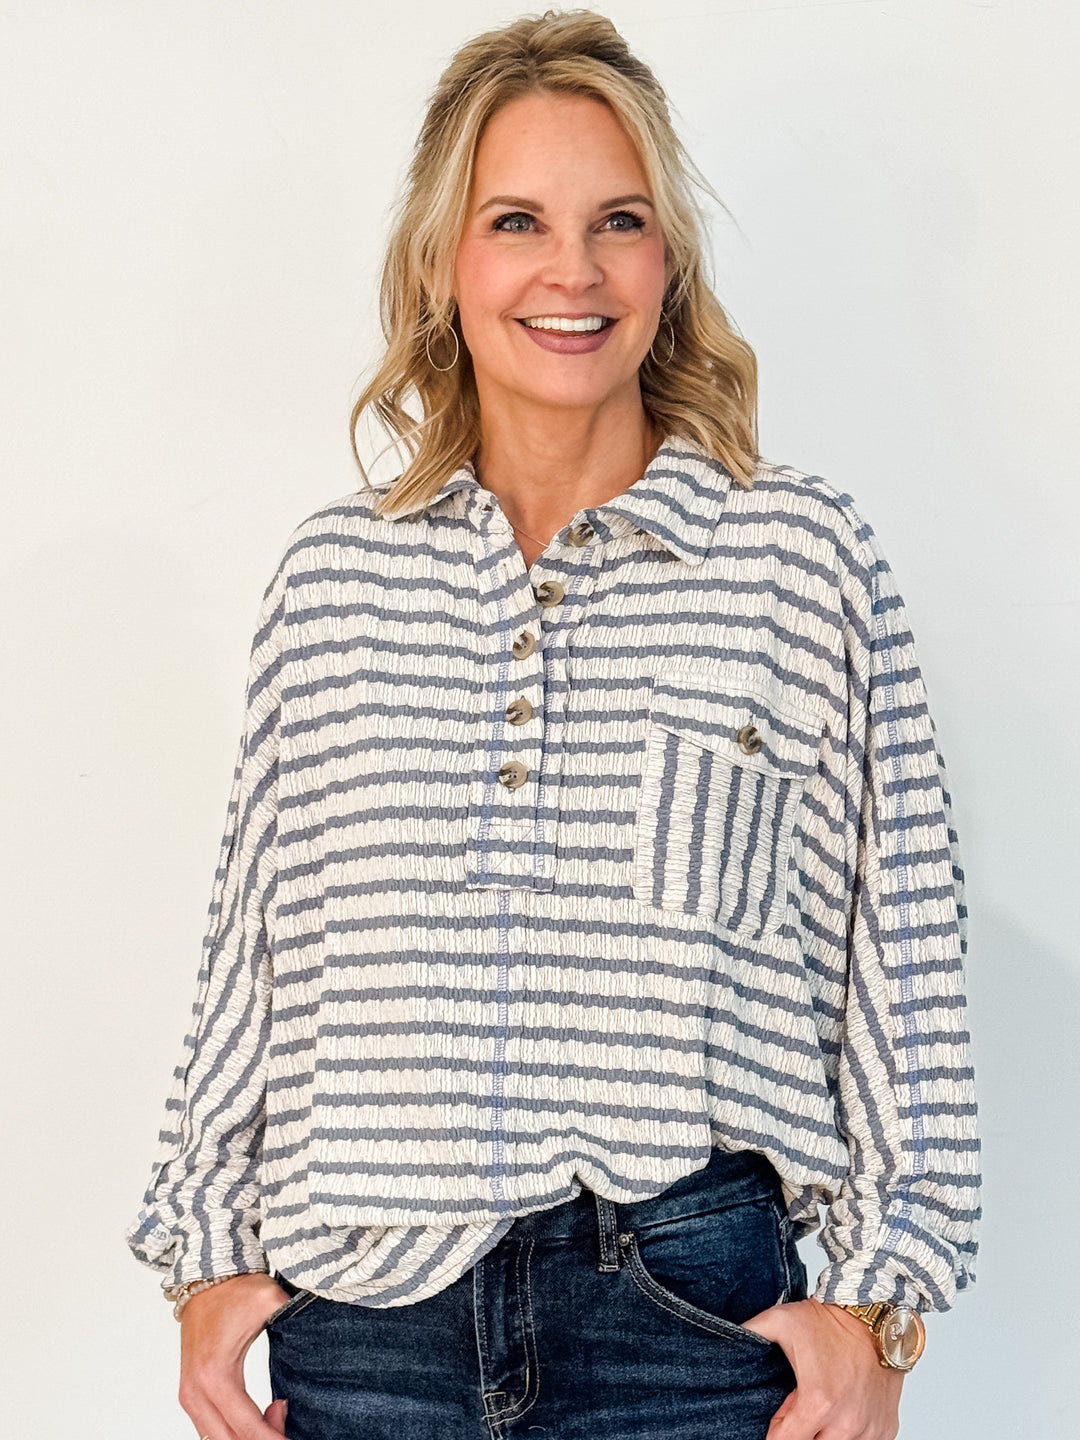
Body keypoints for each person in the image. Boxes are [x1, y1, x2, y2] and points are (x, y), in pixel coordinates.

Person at [126, 10, 980, 1439]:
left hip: (689, 1325)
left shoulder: (795, 560)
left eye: (619, 222)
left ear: (669, 264)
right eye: (517, 219)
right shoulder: (336, 580)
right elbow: (259, 954)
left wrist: (887, 1307)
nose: (572, 271)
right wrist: (204, 1251)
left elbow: (903, 960)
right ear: (443, 262)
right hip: (365, 1329)